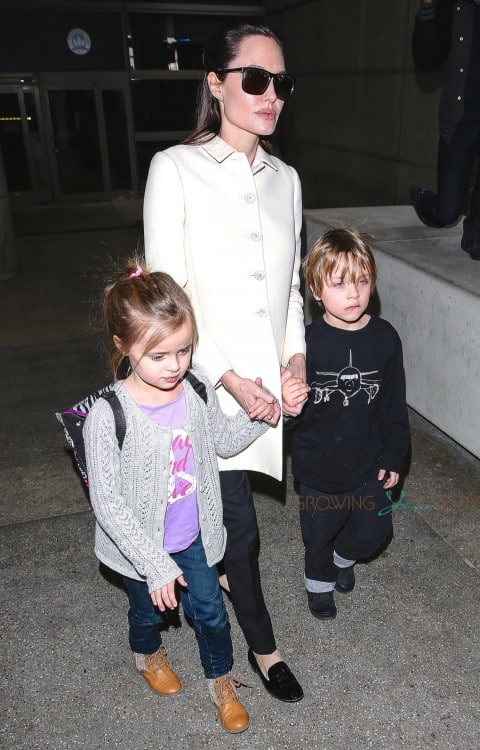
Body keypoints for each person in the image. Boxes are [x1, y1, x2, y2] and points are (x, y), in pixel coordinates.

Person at [143, 22, 306, 702]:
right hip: (203, 385)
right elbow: (165, 295)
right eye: (255, 79)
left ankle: (227, 575)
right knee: (240, 525)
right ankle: (264, 647)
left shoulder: (286, 179)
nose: (271, 95)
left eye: (281, 83)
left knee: (232, 525)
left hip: (267, 389)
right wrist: (227, 375)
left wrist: (295, 358)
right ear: (216, 83)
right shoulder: (174, 169)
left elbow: (290, 285)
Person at [83, 260, 276, 733]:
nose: (175, 366)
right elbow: (108, 504)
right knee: (145, 611)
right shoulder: (107, 416)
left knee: (210, 612)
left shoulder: (194, 386)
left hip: (193, 534)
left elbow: (221, 441)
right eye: (159, 356)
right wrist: (154, 564)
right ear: (123, 347)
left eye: (184, 350)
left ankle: (221, 680)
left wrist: (258, 413)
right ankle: (146, 653)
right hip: (139, 547)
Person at [283, 229, 410, 620]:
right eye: (339, 283)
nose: (353, 292)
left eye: (362, 280)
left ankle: (344, 557)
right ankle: (318, 582)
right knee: (318, 534)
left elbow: (393, 407)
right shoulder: (305, 343)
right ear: (316, 291)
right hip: (318, 468)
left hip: (367, 463)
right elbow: (287, 416)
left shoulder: (385, 338)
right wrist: (287, 405)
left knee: (375, 531)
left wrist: (394, 455)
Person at [410, 0, 480, 260]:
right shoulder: (454, 6)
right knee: (446, 213)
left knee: (476, 245)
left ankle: (475, 234)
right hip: (461, 118)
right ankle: (420, 195)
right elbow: (427, 58)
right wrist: (428, 5)